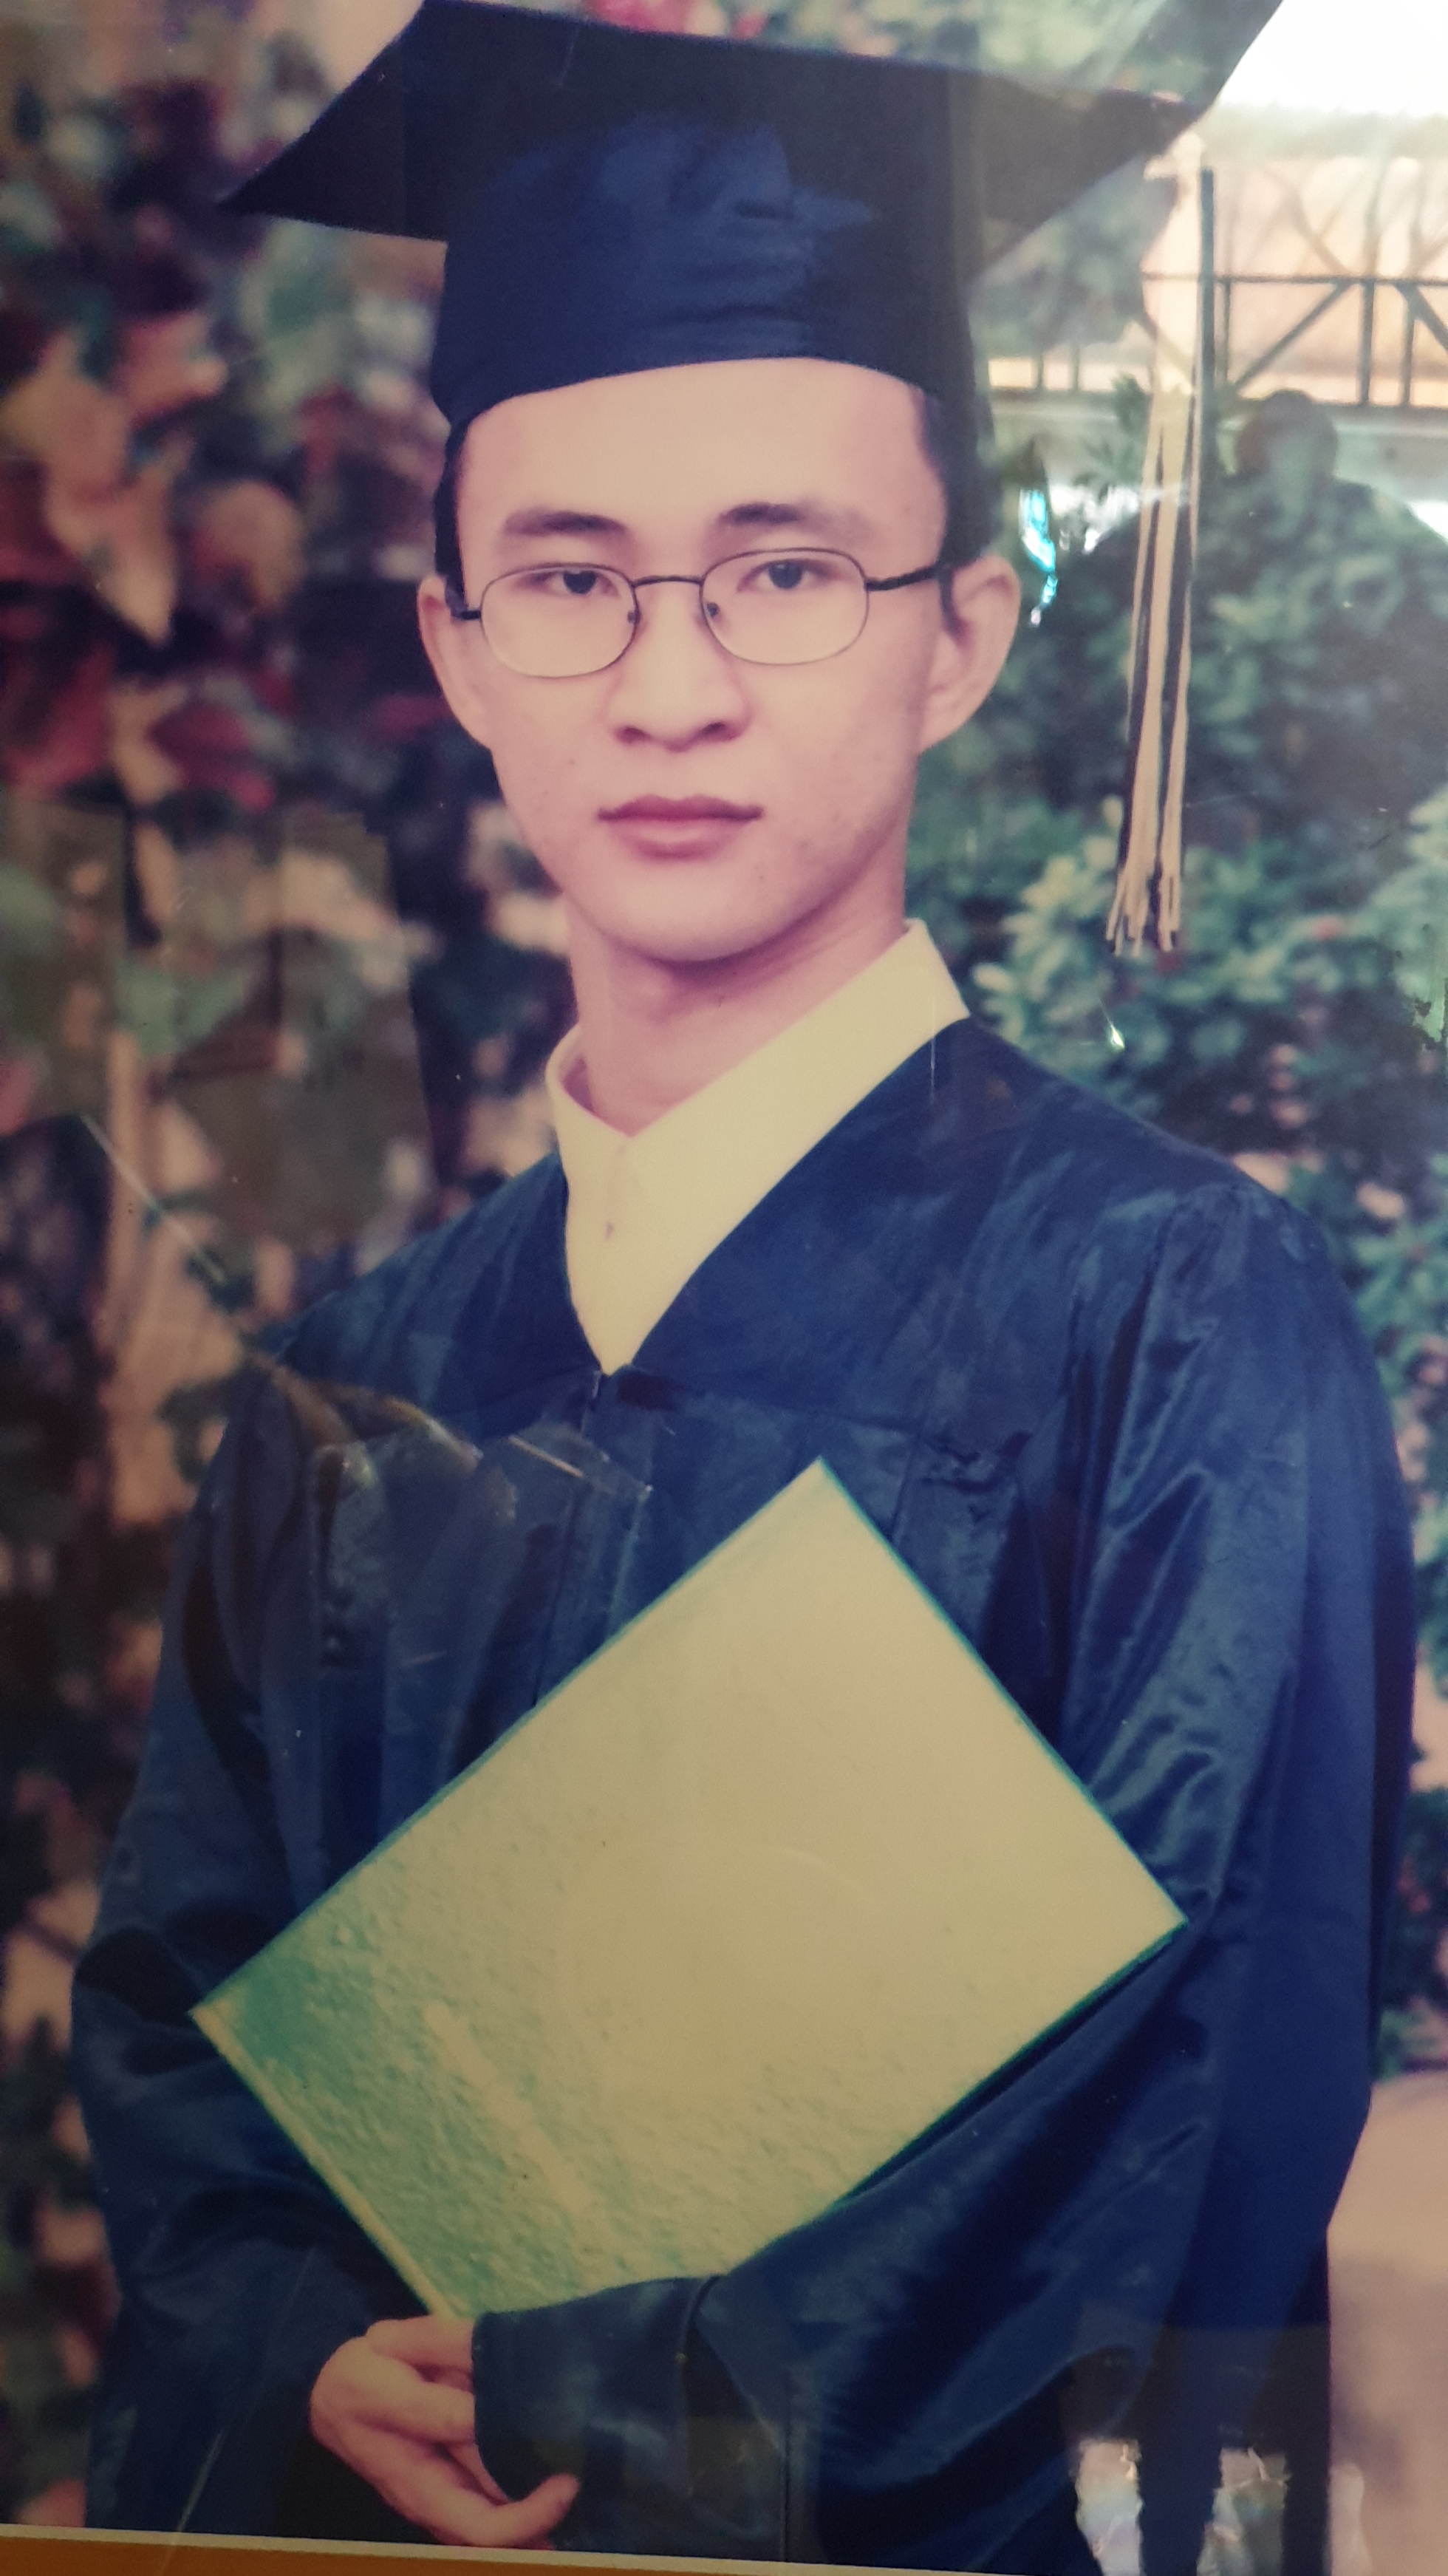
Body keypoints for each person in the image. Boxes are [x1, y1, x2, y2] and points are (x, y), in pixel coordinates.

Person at [72, 7, 1415, 2572]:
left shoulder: (1170, 1326)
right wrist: (311, 2356)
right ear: (457, 645)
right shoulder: (350, 1393)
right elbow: (181, 2032)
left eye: (786, 571)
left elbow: (1197, 2112)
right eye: (571, 579)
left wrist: (588, 2403)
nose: (670, 683)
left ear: (963, 634)